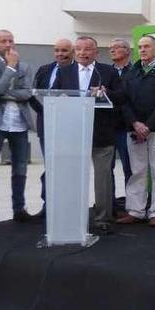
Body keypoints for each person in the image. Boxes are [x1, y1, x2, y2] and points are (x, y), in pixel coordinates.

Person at [53, 36, 125, 231]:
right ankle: (72, 215)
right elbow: (53, 95)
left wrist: (105, 91)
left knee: (103, 177)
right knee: (72, 177)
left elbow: (122, 96)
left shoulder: (108, 72)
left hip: (101, 133)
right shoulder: (64, 71)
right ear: (75, 51)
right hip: (73, 132)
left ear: (96, 52)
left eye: (87, 49)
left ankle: (103, 218)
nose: (83, 53)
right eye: (79, 49)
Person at [116, 36, 155, 227]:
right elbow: (123, 101)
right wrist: (135, 124)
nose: (142, 50)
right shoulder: (131, 72)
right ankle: (135, 210)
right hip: (134, 131)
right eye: (140, 47)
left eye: (147, 46)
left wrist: (148, 126)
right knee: (137, 171)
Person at [0, 29, 35, 228]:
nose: (9, 44)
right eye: (4, 41)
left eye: (11, 40)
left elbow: (27, 93)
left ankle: (19, 209)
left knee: (20, 168)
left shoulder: (25, 66)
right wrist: (10, 68)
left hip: (19, 123)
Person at [30, 38, 74, 219]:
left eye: (64, 50)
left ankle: (67, 206)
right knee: (51, 167)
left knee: (67, 168)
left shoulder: (77, 72)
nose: (60, 54)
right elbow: (33, 95)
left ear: (72, 52)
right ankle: (48, 206)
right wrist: (46, 112)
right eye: (57, 50)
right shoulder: (44, 70)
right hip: (47, 125)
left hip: (70, 127)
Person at [109, 37, 133, 209]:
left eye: (117, 47)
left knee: (129, 168)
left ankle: (131, 205)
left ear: (127, 51)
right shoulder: (104, 72)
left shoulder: (134, 72)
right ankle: (109, 202)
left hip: (126, 128)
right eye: (111, 48)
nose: (112, 50)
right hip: (107, 127)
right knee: (106, 168)